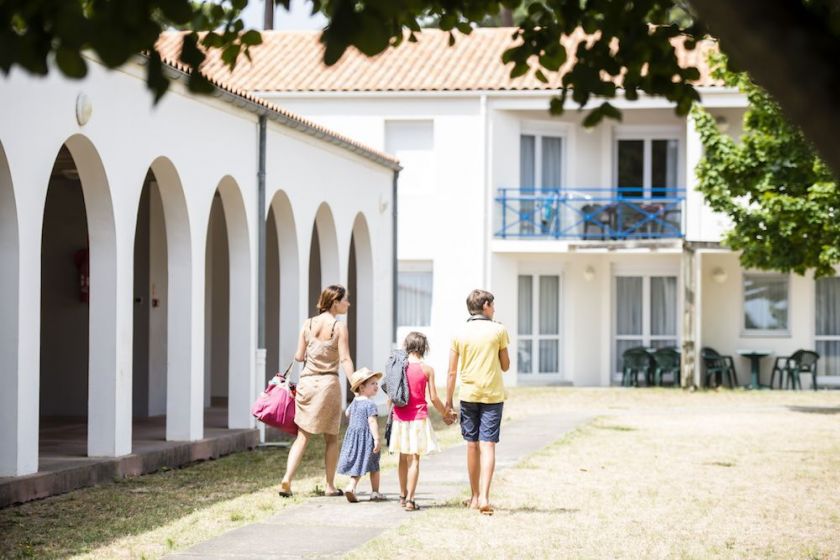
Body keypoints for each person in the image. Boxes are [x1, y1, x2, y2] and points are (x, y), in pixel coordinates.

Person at [278, 285, 354, 498]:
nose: (348, 303)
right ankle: (330, 486)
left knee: (302, 437)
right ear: (335, 302)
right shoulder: (339, 327)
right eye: (345, 300)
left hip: (307, 384)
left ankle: (287, 479)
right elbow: (345, 359)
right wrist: (355, 384)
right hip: (328, 385)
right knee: (331, 438)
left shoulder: (307, 324)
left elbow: (299, 356)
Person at [446, 289, 510, 516]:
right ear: (485, 306)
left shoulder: (459, 332)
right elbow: (505, 365)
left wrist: (448, 402)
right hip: (492, 395)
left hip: (468, 395)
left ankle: (474, 497)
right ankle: (484, 496)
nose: (494, 309)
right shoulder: (499, 330)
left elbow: (452, 372)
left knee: (471, 445)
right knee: (488, 445)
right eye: (492, 305)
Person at [389, 332, 454, 512]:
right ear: (424, 347)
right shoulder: (427, 370)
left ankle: (402, 496)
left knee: (402, 457)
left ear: (406, 346)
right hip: (418, 418)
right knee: (414, 459)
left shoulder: (399, 367)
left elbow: (391, 393)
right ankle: (410, 499)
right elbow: (433, 398)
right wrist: (446, 413)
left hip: (399, 418)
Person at [338, 368, 384, 502]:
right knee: (373, 465)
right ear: (362, 387)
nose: (376, 386)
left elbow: (347, 413)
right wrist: (376, 438)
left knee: (360, 463)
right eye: (372, 383)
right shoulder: (370, 404)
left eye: (376, 383)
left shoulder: (355, 402)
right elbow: (372, 421)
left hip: (353, 439)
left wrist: (356, 398)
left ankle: (356, 487)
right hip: (366, 439)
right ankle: (370, 491)